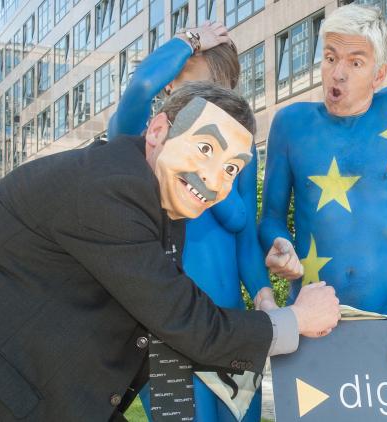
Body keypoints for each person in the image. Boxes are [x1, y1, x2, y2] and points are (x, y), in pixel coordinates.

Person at [0, 83, 341, 421]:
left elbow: (162, 322)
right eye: (205, 148)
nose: (215, 180)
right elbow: (183, 320)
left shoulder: (161, 202)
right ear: (157, 132)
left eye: (231, 168)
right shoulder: (112, 190)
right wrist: (297, 319)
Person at [259, 5, 387, 358]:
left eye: (355, 62)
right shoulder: (290, 124)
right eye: (330, 58)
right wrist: (279, 243)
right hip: (311, 319)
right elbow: (271, 217)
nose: (338, 74)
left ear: (379, 75)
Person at [108, 24, 270, 421]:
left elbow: (245, 241)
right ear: (170, 88)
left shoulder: (239, 160)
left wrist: (265, 296)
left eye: (223, 93)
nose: (214, 107)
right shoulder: (148, 141)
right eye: (198, 94)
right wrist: (190, 42)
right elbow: (139, 88)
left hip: (231, 326)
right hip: (170, 333)